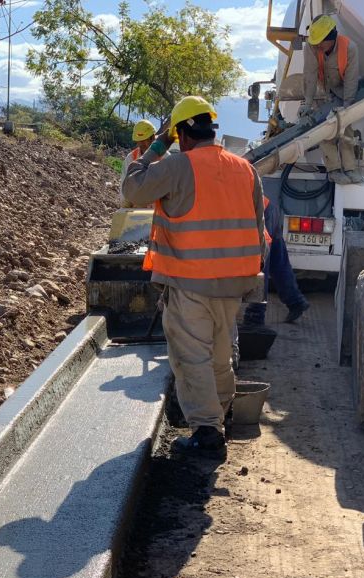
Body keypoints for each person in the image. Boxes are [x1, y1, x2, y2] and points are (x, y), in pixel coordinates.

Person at [123, 96, 267, 459]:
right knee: (221, 354)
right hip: (234, 283)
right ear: (210, 128)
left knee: (192, 358)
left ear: (182, 135)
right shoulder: (244, 169)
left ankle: (206, 432)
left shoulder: (177, 166)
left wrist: (156, 147)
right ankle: (220, 415)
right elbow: (258, 227)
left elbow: (132, 189)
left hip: (190, 281)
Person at [298, 14, 360, 185]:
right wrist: (307, 103)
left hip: (342, 92)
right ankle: (334, 169)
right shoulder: (311, 47)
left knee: (345, 127)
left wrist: (347, 107)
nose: (317, 46)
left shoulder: (349, 48)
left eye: (320, 42)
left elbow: (351, 79)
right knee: (324, 129)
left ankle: (350, 168)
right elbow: (309, 75)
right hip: (322, 92)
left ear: (331, 39)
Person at [243, 196, 309, 326]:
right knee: (277, 262)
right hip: (268, 209)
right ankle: (295, 301)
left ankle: (255, 315)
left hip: (261, 213)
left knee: (260, 264)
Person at [119, 119, 162, 208]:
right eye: (139, 141)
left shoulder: (165, 157)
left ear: (153, 138)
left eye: (144, 140)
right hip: (137, 211)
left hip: (159, 211)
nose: (141, 144)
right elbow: (124, 185)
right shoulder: (131, 158)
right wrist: (125, 206)